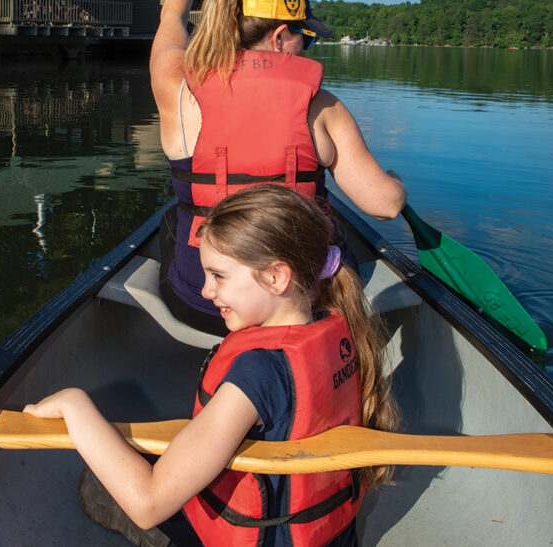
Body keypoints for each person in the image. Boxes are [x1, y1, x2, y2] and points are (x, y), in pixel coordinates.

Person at [24, 184, 398, 547]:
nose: (206, 290)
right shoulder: (335, 329)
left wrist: (74, 405)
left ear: (276, 276)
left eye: (219, 275)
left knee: (100, 482)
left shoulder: (258, 374)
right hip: (329, 536)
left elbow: (148, 503)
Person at [151, 0, 407, 335]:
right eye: (304, 36)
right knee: (327, 217)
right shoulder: (322, 107)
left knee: (172, 221)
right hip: (304, 305)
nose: (306, 46)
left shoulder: (177, 86)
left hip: (204, 304)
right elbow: (384, 205)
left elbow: (171, 21)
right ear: (281, 36)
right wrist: (395, 182)